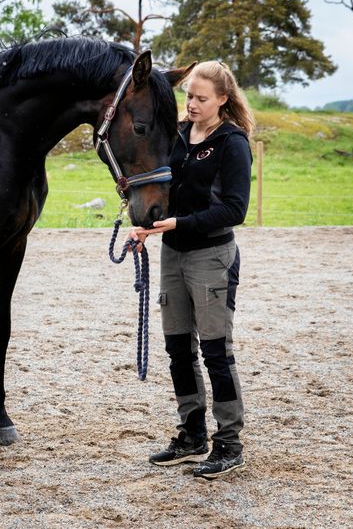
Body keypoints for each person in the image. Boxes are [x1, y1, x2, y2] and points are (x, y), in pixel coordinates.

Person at [130, 60, 255, 480]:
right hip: (173, 254)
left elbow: (234, 209)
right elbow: (165, 189)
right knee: (178, 349)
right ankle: (192, 434)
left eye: (202, 98)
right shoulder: (180, 135)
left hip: (211, 257)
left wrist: (179, 224)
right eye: (189, 97)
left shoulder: (232, 143)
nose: (193, 104)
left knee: (216, 351)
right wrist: (146, 228)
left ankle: (229, 442)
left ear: (223, 98)